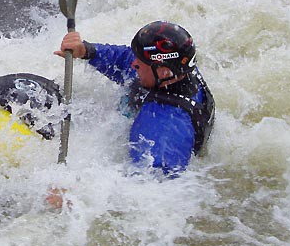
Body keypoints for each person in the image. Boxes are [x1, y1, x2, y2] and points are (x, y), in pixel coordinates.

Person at [54, 20, 215, 177]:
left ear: (163, 71)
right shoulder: (176, 70)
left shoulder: (161, 134)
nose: (133, 64)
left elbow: (146, 190)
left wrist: (73, 195)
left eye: (140, 61)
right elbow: (124, 60)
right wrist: (87, 51)